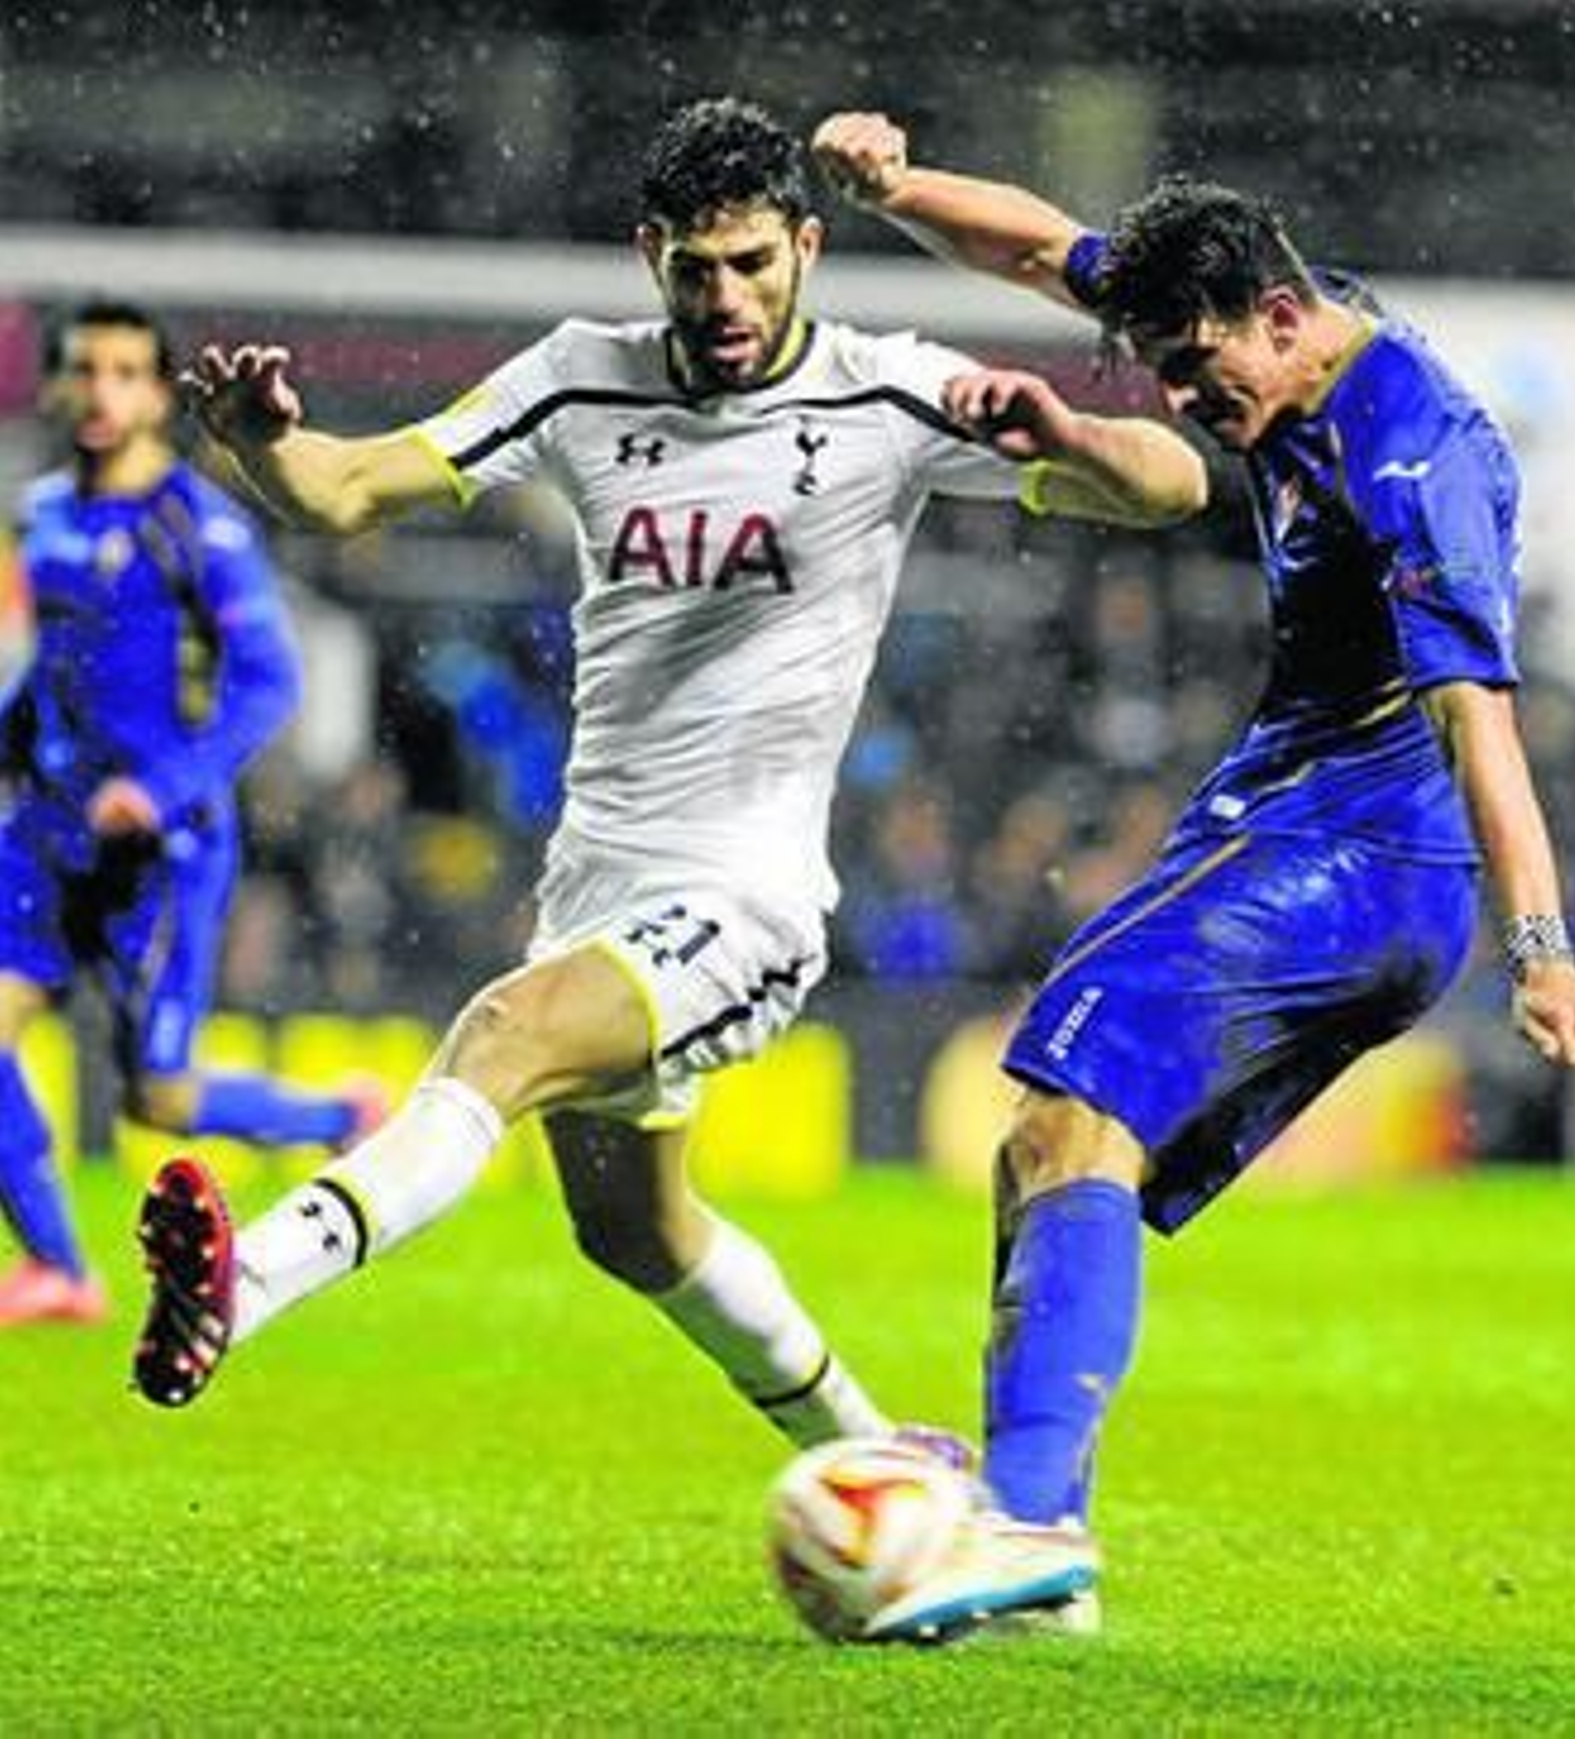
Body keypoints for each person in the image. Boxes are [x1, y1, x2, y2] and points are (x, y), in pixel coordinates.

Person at [131, 98, 1204, 1635]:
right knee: (636, 1231)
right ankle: (927, 1508)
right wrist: (259, 443)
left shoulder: (889, 394)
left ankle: (240, 1283)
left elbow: (1170, 483)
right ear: (651, 254)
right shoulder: (581, 376)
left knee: (500, 1036)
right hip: (598, 885)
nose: (724, 297)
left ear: (807, 246)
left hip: (748, 899)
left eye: (752, 262)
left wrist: (1069, 433)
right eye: (694, 268)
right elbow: (348, 488)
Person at [812, 112, 1575, 1637]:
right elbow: (1040, 247)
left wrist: (1543, 947)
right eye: (1163, 368)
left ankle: (1031, 1517)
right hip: (1304, 833)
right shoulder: (1271, 313)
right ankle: (1035, 1542)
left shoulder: (1411, 450)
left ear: (1281, 318)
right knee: (1051, 1143)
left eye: (1194, 367)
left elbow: (1479, 717)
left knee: (1070, 1100)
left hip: (1351, 854)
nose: (1182, 401)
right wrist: (897, 189)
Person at [0, 301, 387, 1326]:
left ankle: (340, 1113)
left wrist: (163, 787)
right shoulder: (42, 514)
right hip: (44, 834)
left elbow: (268, 680)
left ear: (158, 396)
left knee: (157, 1097)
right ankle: (58, 1268)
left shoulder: (196, 524)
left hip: (161, 848)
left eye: (126, 372)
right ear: (54, 386)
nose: (101, 390)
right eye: (84, 369)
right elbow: (51, 671)